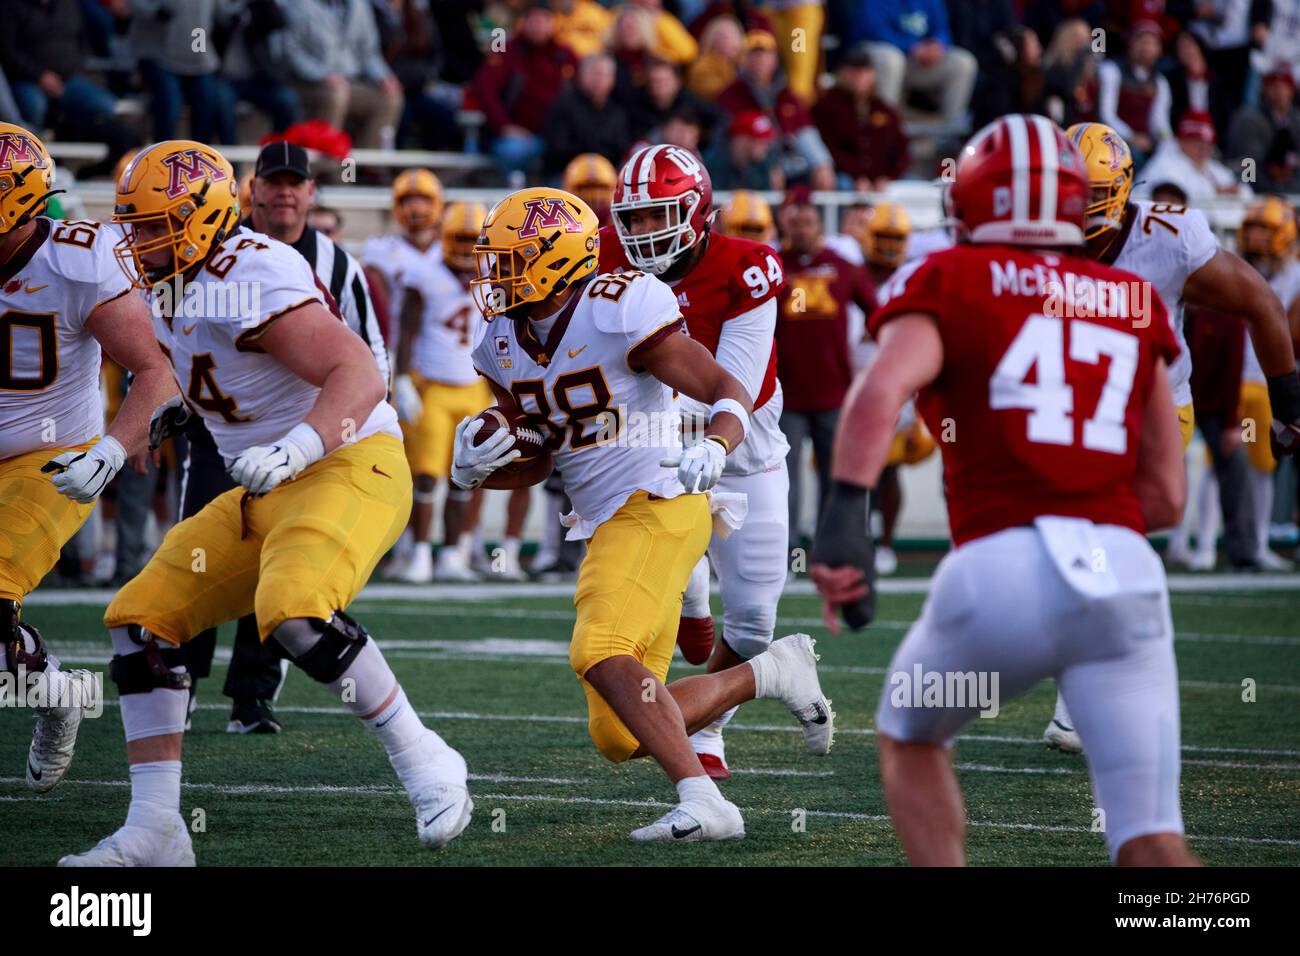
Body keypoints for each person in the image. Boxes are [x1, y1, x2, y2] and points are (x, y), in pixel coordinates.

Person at [61, 139, 471, 866]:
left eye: (152, 225)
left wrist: (298, 447)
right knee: (138, 623)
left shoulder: (250, 270)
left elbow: (359, 373)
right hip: (261, 488)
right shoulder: (168, 281)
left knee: (293, 611)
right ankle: (157, 828)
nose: (136, 241)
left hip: (348, 463)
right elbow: (160, 377)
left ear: (201, 216)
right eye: (130, 224)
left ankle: (425, 758)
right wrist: (111, 448)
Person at [811, 113, 1198, 867]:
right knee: (1151, 839)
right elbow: (1169, 496)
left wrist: (843, 520)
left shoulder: (951, 276)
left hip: (1004, 564)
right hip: (1123, 570)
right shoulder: (1130, 297)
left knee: (910, 734)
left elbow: (878, 390)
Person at [461, 185, 831, 837]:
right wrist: (479, 467)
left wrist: (717, 444)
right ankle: (773, 671)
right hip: (606, 524)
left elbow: (724, 387)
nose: (496, 274)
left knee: (599, 648)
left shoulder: (620, 307)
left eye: (511, 259)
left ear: (556, 259)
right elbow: (540, 458)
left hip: (663, 497)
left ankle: (706, 803)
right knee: (619, 733)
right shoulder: (499, 343)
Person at [1039, 121, 1300, 753]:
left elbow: (1261, 302)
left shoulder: (1167, 240)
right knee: (1070, 551)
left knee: (1101, 535)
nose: (1070, 207)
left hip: (1155, 411)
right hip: (1065, 414)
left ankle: (1092, 696)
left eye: (1085, 193)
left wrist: (1289, 405)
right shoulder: (1030, 243)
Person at [176, 140, 390, 735]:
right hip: (220, 430)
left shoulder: (337, 263)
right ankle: (180, 683)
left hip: (307, 431)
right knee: (198, 555)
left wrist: (348, 427)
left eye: (297, 181)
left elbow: (367, 355)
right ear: (254, 189)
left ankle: (251, 695)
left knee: (280, 566)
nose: (286, 191)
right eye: (275, 181)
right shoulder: (214, 251)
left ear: (312, 191)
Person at [601, 146, 795, 779]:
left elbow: (735, 382)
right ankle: (689, 600)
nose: (642, 233)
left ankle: (709, 714)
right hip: (652, 443)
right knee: (645, 594)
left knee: (758, 624)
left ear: (697, 211)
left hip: (744, 449)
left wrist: (715, 445)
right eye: (632, 219)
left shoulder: (747, 267)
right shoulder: (601, 255)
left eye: (659, 216)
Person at [0, 124, 176, 792]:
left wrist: (113, 447)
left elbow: (155, 369)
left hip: (49, 457)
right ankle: (56, 694)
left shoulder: (76, 259)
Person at [391, 202, 494, 584]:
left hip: (475, 389)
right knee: (426, 477)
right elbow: (407, 329)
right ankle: (419, 553)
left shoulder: (494, 277)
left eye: (473, 241)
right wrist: (401, 379)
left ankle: (452, 554)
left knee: (464, 477)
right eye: (461, 240)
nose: (467, 250)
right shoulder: (424, 275)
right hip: (432, 388)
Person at [776, 197, 877, 557]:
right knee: (784, 481)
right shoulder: (774, 266)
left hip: (834, 393)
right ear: (785, 227)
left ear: (820, 227)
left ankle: (828, 548)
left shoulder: (843, 267)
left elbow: (877, 310)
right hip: (785, 395)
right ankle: (786, 550)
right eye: (795, 223)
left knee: (832, 478)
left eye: (807, 223)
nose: (801, 230)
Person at [858, 201, 935, 576]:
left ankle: (885, 542)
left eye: (895, 238)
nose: (889, 246)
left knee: (888, 470)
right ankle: (857, 541)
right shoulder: (850, 273)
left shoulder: (913, 279)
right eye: (883, 237)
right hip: (852, 383)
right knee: (851, 471)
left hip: (895, 384)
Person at [1236, 195, 1300, 570]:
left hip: (1265, 386)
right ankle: (1196, 543)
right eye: (1254, 229)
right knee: (1224, 463)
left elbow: (1290, 335)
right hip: (1232, 384)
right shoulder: (1232, 267)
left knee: (1260, 465)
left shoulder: (1293, 275)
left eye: (1267, 230)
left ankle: (1258, 540)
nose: (1258, 239)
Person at [283, 0, 404, 149]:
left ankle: (368, 168)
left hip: (349, 82)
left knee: (390, 98)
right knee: (336, 96)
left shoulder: (360, 5)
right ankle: (328, 164)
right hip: (309, 83)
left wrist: (384, 76)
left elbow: (368, 52)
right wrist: (321, 75)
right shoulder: (298, 5)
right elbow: (290, 51)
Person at [811, 43, 909, 192]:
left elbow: (902, 148)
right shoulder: (826, 106)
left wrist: (888, 177)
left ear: (872, 75)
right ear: (842, 73)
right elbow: (827, 148)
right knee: (842, 185)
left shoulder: (883, 109)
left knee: (912, 185)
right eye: (853, 72)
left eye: (864, 72)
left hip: (881, 180)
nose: (859, 78)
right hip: (844, 177)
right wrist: (857, 175)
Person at [1132, 110, 1252, 203]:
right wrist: (1215, 193)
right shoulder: (1164, 164)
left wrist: (1236, 192)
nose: (1203, 150)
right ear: (1181, 142)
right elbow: (1171, 194)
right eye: (1197, 144)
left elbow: (1245, 192)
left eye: (1207, 145)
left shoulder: (1211, 167)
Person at [1096, 19, 1172, 163]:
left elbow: (1160, 122)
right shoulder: (1111, 70)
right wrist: (1132, 137)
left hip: (1144, 144)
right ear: (1130, 44)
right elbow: (1106, 115)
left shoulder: (1160, 83)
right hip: (1111, 141)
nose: (1147, 48)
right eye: (1142, 41)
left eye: (1153, 43)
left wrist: (1166, 142)